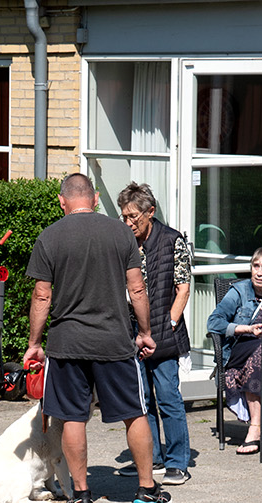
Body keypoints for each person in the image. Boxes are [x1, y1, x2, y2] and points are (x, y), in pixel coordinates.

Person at [23, 173, 170, 503]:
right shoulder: (120, 232)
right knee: (134, 412)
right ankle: (146, 490)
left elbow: (42, 295)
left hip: (66, 342)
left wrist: (34, 342)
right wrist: (145, 332)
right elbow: (137, 289)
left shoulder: (50, 236)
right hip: (114, 340)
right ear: (94, 198)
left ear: (63, 201)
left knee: (74, 416)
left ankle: (81, 495)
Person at [117, 182, 193, 486]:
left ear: (150, 212)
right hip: (131, 330)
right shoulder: (124, 242)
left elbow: (183, 287)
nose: (128, 223)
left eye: (134, 217)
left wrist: (169, 324)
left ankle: (177, 461)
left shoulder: (172, 240)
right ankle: (151, 458)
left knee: (168, 397)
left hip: (165, 331)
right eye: (124, 216)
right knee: (140, 399)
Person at [206, 247, 262, 454]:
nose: (259, 272)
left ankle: (257, 430)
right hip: (241, 350)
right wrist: (246, 329)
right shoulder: (239, 291)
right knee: (261, 351)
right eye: (255, 266)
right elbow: (213, 322)